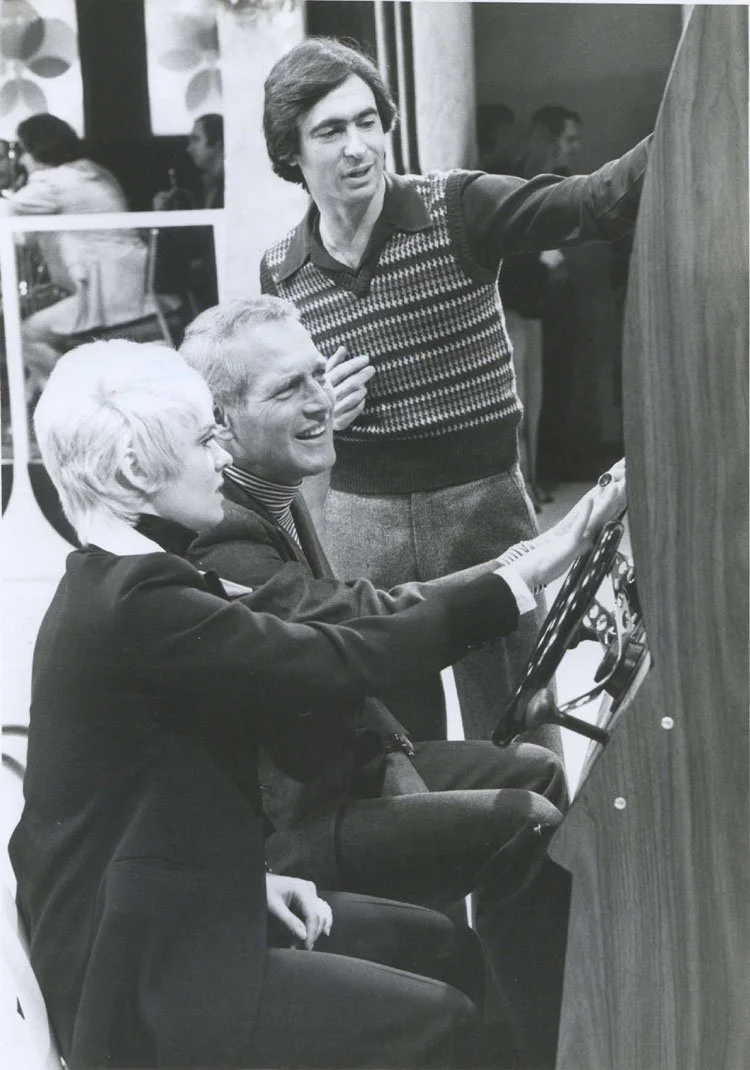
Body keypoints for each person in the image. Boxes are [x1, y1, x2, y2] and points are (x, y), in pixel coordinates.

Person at [9, 339, 624, 1069]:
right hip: (138, 975)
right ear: (138, 470)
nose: (219, 460)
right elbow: (337, 657)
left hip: (167, 915)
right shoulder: (138, 605)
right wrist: (530, 570)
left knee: (445, 948)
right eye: (205, 440)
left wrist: (250, 883)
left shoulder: (123, 584)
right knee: (441, 1023)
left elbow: (143, 807)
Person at [179, 294, 627, 1067]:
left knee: (540, 768)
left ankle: (544, 1020)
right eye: (289, 389)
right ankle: (544, 1047)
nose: (321, 400)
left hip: (342, 770)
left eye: (320, 374)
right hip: (291, 821)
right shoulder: (225, 536)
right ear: (219, 418)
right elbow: (371, 620)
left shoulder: (269, 488)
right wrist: (553, 547)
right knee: (525, 822)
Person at [259, 37, 649, 747]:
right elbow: (276, 421)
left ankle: (533, 857)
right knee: (391, 743)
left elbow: (594, 202)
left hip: (482, 506)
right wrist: (320, 418)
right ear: (290, 152)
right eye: (331, 130)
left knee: (517, 728)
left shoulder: (458, 206)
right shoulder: (283, 271)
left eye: (369, 121)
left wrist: (697, 111)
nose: (359, 147)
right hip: (358, 522)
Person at [0, 115, 165, 404]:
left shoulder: (53, 182)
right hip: (138, 288)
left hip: (110, 298)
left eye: (24, 152)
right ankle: (31, 402)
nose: (22, 159)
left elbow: (9, 215)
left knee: (25, 333)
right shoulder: (93, 171)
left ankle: (79, 404)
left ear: (37, 151)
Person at [497, 105, 583, 508]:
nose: (573, 149)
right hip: (516, 303)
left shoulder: (547, 181)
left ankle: (532, 479)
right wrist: (540, 260)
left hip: (533, 304)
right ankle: (524, 483)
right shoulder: (508, 179)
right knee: (520, 400)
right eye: (567, 140)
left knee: (535, 397)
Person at [153, 113, 225, 211]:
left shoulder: (234, 187)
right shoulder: (204, 186)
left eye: (196, 139)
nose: (189, 149)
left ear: (218, 142)